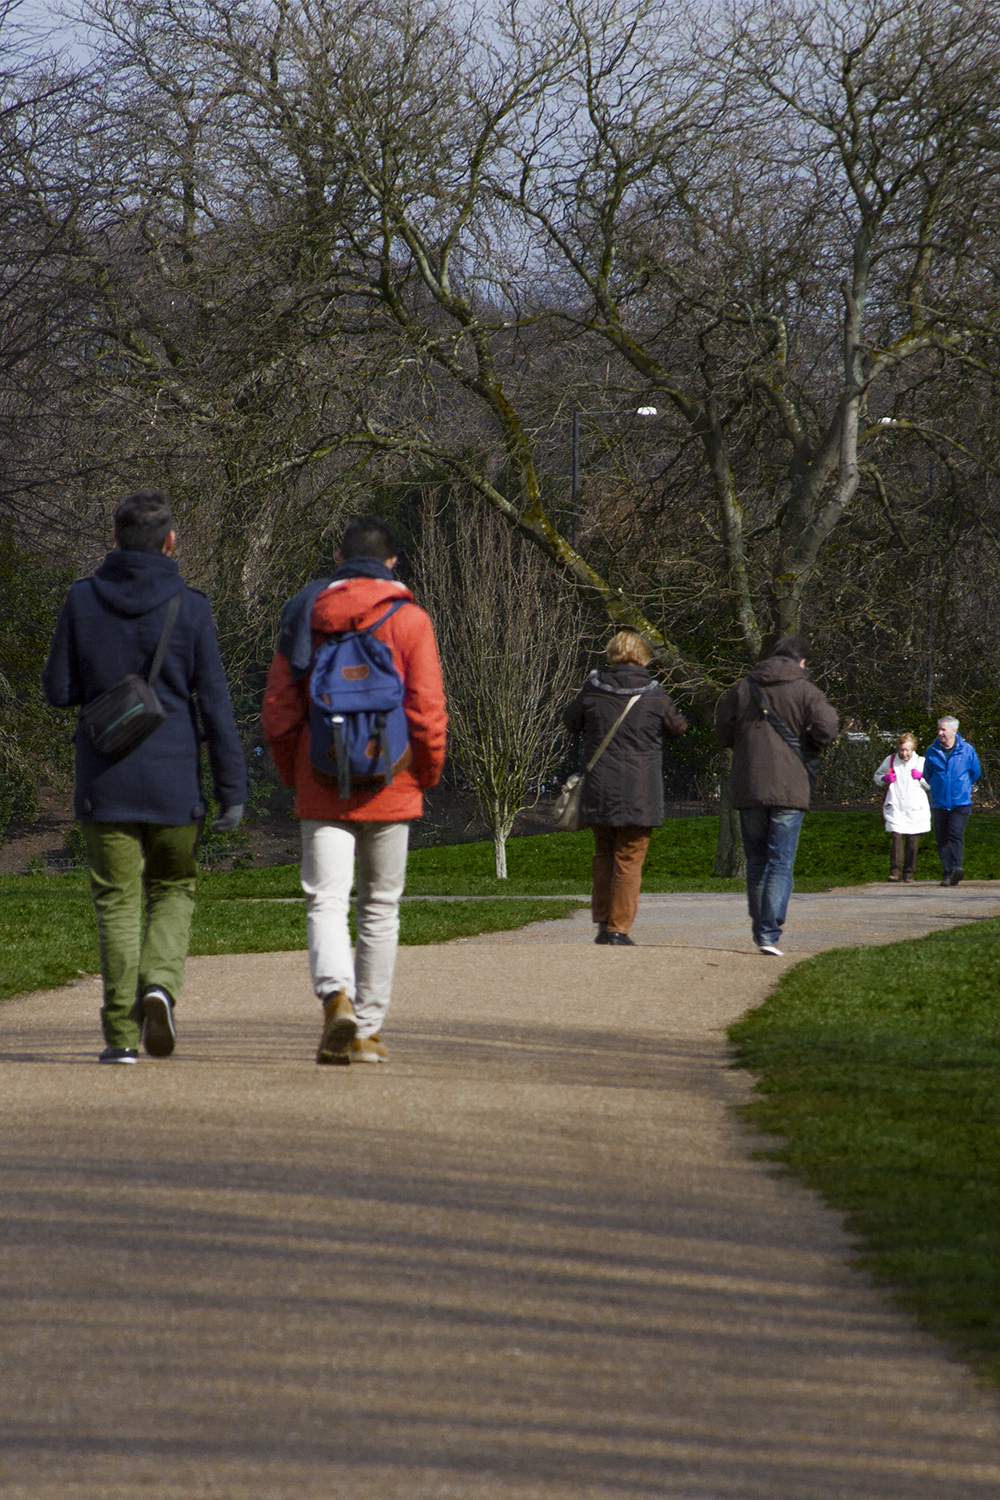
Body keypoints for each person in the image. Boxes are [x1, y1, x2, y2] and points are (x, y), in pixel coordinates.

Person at [42, 489, 247, 1063]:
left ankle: (120, 1039)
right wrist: (232, 791)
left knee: (117, 903)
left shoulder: (81, 599)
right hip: (175, 785)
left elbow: (58, 690)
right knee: (173, 889)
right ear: (170, 542)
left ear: (113, 538)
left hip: (104, 783)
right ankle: (159, 984)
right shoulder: (191, 606)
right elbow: (217, 708)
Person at [261, 515, 447, 1065]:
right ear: (392, 563)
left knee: (326, 899)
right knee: (380, 909)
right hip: (393, 780)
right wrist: (426, 773)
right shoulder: (410, 620)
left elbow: (278, 709)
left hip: (321, 780)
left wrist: (293, 772)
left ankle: (335, 995)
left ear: (339, 561)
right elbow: (427, 710)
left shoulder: (307, 613)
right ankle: (366, 1030)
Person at [714, 635, 839, 956]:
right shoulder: (805, 690)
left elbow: (722, 730)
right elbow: (828, 727)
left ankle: (762, 931)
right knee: (780, 861)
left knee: (756, 861)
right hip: (789, 787)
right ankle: (770, 932)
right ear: (802, 662)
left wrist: (745, 744)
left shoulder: (743, 687)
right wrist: (809, 741)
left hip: (750, 784)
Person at [562, 631, 687, 946]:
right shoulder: (654, 694)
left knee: (604, 854)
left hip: (600, 787)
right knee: (629, 858)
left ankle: (603, 924)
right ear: (643, 656)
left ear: (611, 654)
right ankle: (619, 928)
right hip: (640, 792)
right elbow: (677, 728)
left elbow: (570, 720)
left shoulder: (593, 688)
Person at [922, 716, 981, 887]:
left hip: (960, 802)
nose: (940, 733)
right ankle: (947, 873)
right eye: (939, 729)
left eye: (943, 729)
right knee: (942, 838)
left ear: (954, 731)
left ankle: (956, 868)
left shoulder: (967, 750)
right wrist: (938, 787)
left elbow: (975, 772)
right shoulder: (932, 751)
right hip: (939, 802)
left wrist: (962, 786)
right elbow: (927, 774)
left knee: (955, 834)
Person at [873, 732, 930, 882]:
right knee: (896, 838)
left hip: (915, 808)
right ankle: (895, 872)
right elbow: (877, 777)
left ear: (913, 749)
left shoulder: (921, 762)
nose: (904, 753)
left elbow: (932, 783)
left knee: (912, 843)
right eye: (901, 750)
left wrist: (921, 778)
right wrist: (884, 778)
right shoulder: (891, 760)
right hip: (896, 805)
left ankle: (909, 873)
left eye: (907, 750)